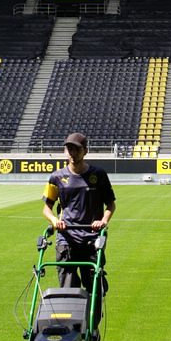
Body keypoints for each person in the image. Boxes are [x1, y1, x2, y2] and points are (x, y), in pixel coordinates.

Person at [41, 132, 115, 327]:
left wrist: (103, 221)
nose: (72, 153)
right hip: (66, 238)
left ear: (85, 151)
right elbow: (46, 207)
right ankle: (71, 329)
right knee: (68, 288)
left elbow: (111, 205)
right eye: (69, 149)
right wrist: (55, 220)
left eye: (76, 149)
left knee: (94, 287)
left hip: (91, 238)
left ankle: (91, 327)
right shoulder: (56, 177)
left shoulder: (98, 175)